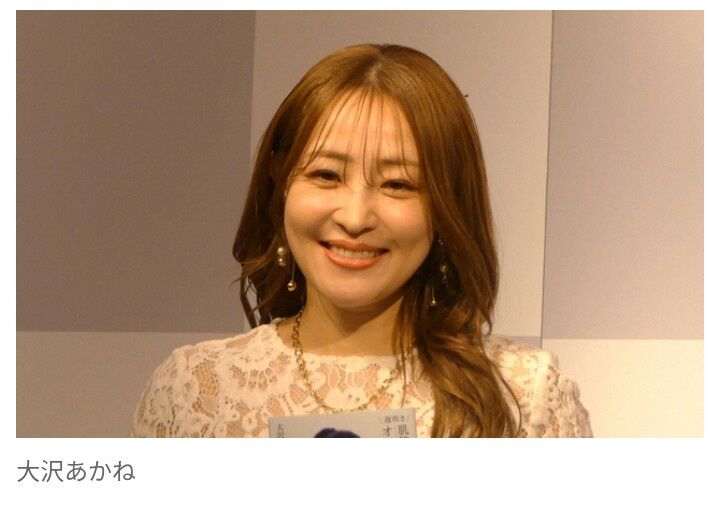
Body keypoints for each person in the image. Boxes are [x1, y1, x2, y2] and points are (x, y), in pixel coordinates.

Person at [130, 43, 592, 438]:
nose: (354, 218)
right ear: (280, 183)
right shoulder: (193, 392)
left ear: (446, 205)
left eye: (397, 184)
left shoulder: (524, 398)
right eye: (326, 175)